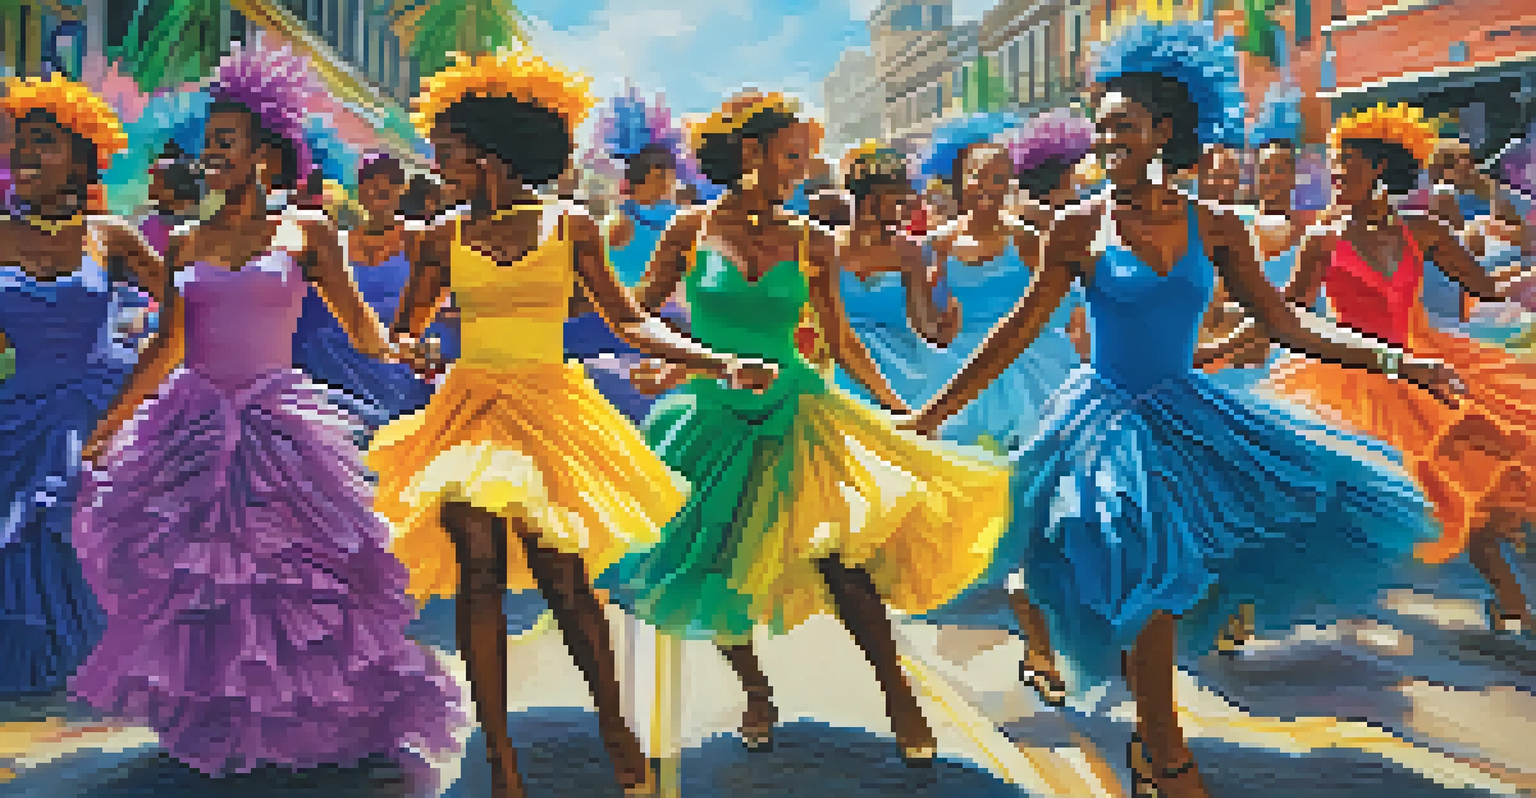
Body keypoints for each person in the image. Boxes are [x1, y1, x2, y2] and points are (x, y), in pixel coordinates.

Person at [906, 23, 1456, 796]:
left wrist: (1398, 359)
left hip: (1189, 417)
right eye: (1101, 132)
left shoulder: (1217, 225)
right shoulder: (1076, 227)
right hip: (1102, 423)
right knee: (1145, 569)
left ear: (1165, 131)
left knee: (1175, 582)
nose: (1107, 143)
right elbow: (1012, 333)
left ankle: (1144, 734)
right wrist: (929, 416)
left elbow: (1288, 322)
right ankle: (1166, 754)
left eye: (1122, 128)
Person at [68, 46, 463, 790]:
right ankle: (221, 719)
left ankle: (306, 722)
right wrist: (111, 425)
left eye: (226, 141)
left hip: (278, 424)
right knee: (203, 585)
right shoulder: (186, 240)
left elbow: (362, 334)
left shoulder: (308, 232)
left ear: (267, 156)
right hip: (190, 424)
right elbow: (166, 346)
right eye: (206, 141)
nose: (210, 154)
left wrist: (407, 349)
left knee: (296, 588)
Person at [366, 50, 751, 797]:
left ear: (488, 151)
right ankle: (501, 750)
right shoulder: (437, 238)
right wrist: (409, 345)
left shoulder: (570, 225)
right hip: (470, 413)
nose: (435, 162)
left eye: (445, 148)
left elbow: (631, 323)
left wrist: (717, 362)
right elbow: (406, 330)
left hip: (549, 408)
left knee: (564, 576)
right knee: (477, 568)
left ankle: (613, 719)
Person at [599, 90, 1010, 767]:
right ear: (750, 152)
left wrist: (893, 412)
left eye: (804, 156)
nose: (802, 168)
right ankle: (756, 690)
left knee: (842, 560)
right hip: (710, 415)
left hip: (797, 409)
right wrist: (664, 363)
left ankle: (896, 692)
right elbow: (635, 315)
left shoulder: (812, 238)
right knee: (714, 563)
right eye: (792, 155)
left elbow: (840, 340)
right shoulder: (687, 231)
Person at [1227, 103, 1536, 634]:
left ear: (1379, 169)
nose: (1336, 173)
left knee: (1470, 474)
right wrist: (1223, 340)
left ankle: (1510, 600)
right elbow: (1286, 312)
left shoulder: (1425, 230)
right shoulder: (1322, 238)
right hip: (1341, 379)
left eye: (1346, 162)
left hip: (1421, 368)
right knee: (1307, 490)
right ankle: (1243, 608)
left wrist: (1522, 276)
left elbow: (1484, 286)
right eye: (1334, 162)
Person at [0, 75, 163, 699]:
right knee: (23, 535)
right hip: (20, 410)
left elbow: (186, 311)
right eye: (19, 144)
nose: (23, 157)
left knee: (82, 522)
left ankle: (102, 665)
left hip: (102, 403)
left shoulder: (111, 234)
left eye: (42, 143)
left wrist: (146, 378)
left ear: (80, 157)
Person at [921, 113, 1085, 454]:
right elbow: (928, 319)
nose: (985, 186)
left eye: (997, 178)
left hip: (1031, 367)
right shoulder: (937, 244)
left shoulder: (1027, 239)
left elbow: (1066, 303)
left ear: (1009, 183)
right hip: (961, 368)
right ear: (961, 181)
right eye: (977, 176)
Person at [565, 90, 693, 423]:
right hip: (635, 332)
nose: (673, 180)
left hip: (665, 328)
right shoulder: (621, 224)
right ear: (654, 175)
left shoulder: (633, 219)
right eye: (668, 173)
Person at [291, 152, 436, 436]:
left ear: (403, 188)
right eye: (371, 179)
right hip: (335, 374)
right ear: (359, 187)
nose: (380, 186)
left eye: (391, 180)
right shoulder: (333, 242)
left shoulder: (423, 238)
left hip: (400, 371)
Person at [830, 140, 958, 411]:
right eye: (897, 198)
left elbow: (924, 324)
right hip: (839, 374)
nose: (906, 206)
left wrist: (946, 326)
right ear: (870, 197)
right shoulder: (824, 248)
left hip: (905, 377)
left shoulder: (910, 251)